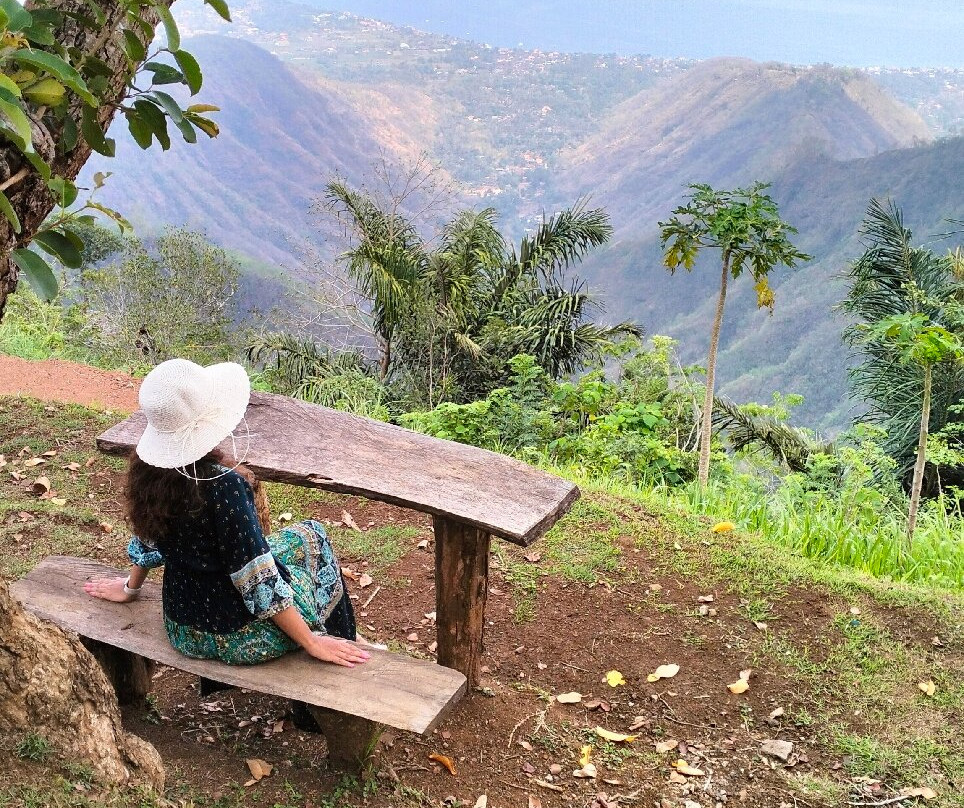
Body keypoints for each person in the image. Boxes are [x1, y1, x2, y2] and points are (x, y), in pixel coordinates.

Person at [84, 357, 370, 671]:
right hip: (242, 636)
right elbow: (256, 580)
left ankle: (340, 638)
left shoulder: (147, 473)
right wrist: (312, 643)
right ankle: (340, 641)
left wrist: (130, 587)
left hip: (183, 629)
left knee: (304, 536)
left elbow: (148, 543)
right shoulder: (225, 487)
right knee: (315, 537)